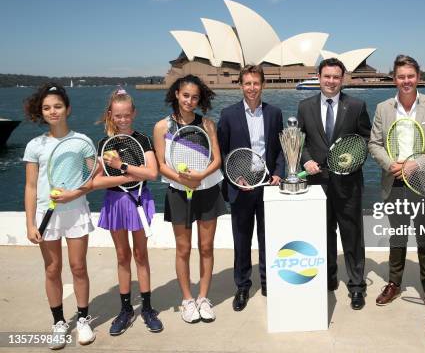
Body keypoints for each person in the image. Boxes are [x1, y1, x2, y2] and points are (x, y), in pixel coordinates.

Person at [368, 55, 425, 314]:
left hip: (423, 182)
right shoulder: (383, 108)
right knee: (398, 235)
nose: (406, 81)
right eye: (401, 76)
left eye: (410, 76)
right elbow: (374, 144)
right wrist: (389, 164)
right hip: (394, 181)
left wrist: (416, 164)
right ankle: (394, 283)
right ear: (394, 79)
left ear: (418, 78)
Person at [22, 83, 96, 349]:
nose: (52, 112)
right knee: (52, 269)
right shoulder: (35, 145)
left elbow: (91, 179)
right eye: (46, 108)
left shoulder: (84, 142)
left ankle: (84, 319)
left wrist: (72, 194)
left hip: (75, 211)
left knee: (78, 267)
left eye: (57, 106)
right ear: (41, 112)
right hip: (46, 214)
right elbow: (31, 186)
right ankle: (59, 323)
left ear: (68, 109)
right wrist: (30, 223)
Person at [297, 58, 371, 309]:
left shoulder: (357, 105)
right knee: (323, 233)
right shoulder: (304, 106)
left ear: (343, 78)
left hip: (348, 183)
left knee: (352, 235)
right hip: (317, 182)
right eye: (326, 76)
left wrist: (350, 162)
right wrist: (305, 162)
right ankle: (328, 279)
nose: (331, 81)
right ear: (318, 76)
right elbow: (301, 141)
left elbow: (365, 140)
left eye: (336, 77)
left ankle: (357, 285)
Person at [152, 75, 227, 324]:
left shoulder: (207, 124)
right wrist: (182, 179)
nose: (190, 101)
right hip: (178, 193)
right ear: (176, 94)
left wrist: (202, 175)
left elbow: (217, 159)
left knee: (206, 248)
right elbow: (161, 165)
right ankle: (187, 300)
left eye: (195, 97)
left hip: (208, 190)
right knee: (183, 249)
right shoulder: (162, 126)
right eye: (186, 95)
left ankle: (203, 298)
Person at [92, 88, 163, 335]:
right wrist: (120, 173)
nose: (123, 119)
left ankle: (147, 308)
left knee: (140, 255)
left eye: (126, 115)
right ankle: (125, 310)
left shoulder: (143, 140)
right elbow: (96, 181)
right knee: (122, 256)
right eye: (118, 115)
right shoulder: (104, 144)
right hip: (115, 202)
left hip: (139, 201)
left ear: (133, 113)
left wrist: (121, 166)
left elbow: (152, 173)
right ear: (110, 115)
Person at [217, 64, 284, 311]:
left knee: (268, 238)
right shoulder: (228, 114)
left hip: (267, 184)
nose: (252, 88)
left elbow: (280, 149)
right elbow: (222, 152)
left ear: (262, 85)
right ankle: (243, 286)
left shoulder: (274, 113)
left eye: (256, 83)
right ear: (241, 85)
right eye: (247, 83)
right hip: (241, 185)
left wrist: (278, 173)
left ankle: (268, 283)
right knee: (242, 239)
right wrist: (235, 177)